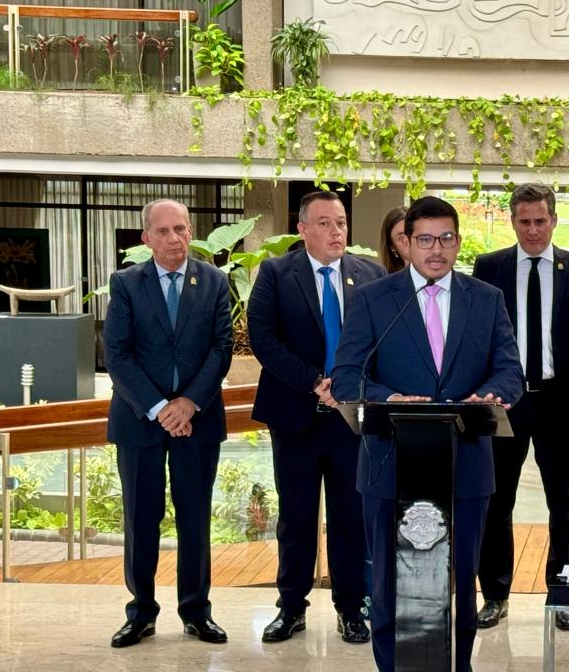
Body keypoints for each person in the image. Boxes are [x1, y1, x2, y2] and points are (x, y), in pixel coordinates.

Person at [331, 196, 524, 672]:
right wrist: (391, 399)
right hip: (389, 464)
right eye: (425, 239)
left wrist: (491, 395)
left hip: (467, 465)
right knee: (388, 583)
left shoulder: (487, 299)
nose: (436, 249)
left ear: (457, 242)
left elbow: (510, 372)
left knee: (462, 581)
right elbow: (347, 377)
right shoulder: (373, 299)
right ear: (406, 243)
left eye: (445, 238)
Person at [247, 190, 385, 644]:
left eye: (341, 222)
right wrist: (314, 382)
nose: (336, 231)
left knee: (351, 517)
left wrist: (351, 385)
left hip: (351, 419)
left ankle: (351, 609)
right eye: (324, 223)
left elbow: (382, 341)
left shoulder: (370, 274)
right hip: (296, 415)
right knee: (296, 517)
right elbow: (263, 339)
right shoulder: (276, 273)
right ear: (303, 229)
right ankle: (291, 608)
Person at [102, 198, 233, 648]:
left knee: (195, 518)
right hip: (140, 420)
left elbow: (221, 348)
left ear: (191, 231)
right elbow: (116, 354)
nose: (174, 238)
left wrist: (189, 404)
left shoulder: (214, 281)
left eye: (181, 229)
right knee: (142, 519)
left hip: (198, 420)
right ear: (146, 238)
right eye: (163, 231)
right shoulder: (125, 283)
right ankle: (141, 613)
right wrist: (161, 407)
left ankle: (196, 612)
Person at [471, 183, 569, 632]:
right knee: (496, 500)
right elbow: (480, 336)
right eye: (524, 221)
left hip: (560, 403)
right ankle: (495, 595)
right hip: (505, 402)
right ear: (512, 221)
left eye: (540, 220)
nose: (532, 229)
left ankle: (565, 593)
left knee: (565, 505)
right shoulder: (489, 268)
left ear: (554, 220)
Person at [379, 205, 409, 274]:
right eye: (401, 238)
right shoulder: (386, 279)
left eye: (411, 232)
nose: (408, 240)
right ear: (392, 247)